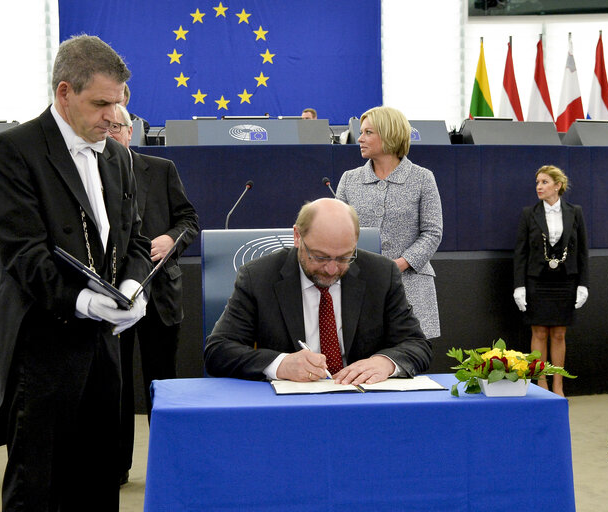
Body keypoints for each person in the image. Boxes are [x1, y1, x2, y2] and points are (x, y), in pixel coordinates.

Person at [0, 34, 152, 510]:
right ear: (63, 93)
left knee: (99, 480)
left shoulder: (117, 155)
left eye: (118, 103)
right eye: (101, 103)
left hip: (103, 350)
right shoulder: (11, 151)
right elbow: (23, 254)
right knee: (38, 487)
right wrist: (83, 301)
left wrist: (133, 286)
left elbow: (134, 239)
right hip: (40, 351)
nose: (114, 117)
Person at [204, 198, 432, 384]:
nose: (332, 269)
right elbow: (218, 351)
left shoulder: (381, 274)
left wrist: (386, 362)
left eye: (345, 257)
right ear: (297, 237)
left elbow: (416, 344)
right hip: (289, 409)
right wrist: (281, 364)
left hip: (363, 403)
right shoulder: (259, 277)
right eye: (320, 256)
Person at [109, 105, 199, 485]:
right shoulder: (86, 173)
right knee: (115, 386)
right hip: (110, 297)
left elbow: (189, 220)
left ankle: (168, 465)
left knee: (160, 382)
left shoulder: (161, 170)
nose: (113, 132)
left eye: (119, 127)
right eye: (107, 125)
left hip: (159, 295)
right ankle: (116, 467)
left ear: (132, 132)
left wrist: (170, 239)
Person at [336, 106, 443, 339]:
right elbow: (337, 231)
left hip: (411, 285)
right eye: (360, 132)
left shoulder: (422, 178)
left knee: (409, 362)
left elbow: (432, 232)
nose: (360, 139)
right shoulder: (349, 179)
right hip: (360, 285)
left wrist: (400, 264)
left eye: (368, 133)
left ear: (389, 134)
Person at [512, 165, 588, 397]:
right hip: (537, 281)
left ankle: (558, 385)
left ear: (558, 185)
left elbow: (582, 251)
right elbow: (521, 253)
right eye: (537, 183)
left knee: (558, 334)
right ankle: (541, 383)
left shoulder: (575, 212)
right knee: (539, 333)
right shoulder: (529, 213)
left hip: (565, 282)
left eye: (544, 182)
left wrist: (583, 284)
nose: (539, 187)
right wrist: (519, 286)